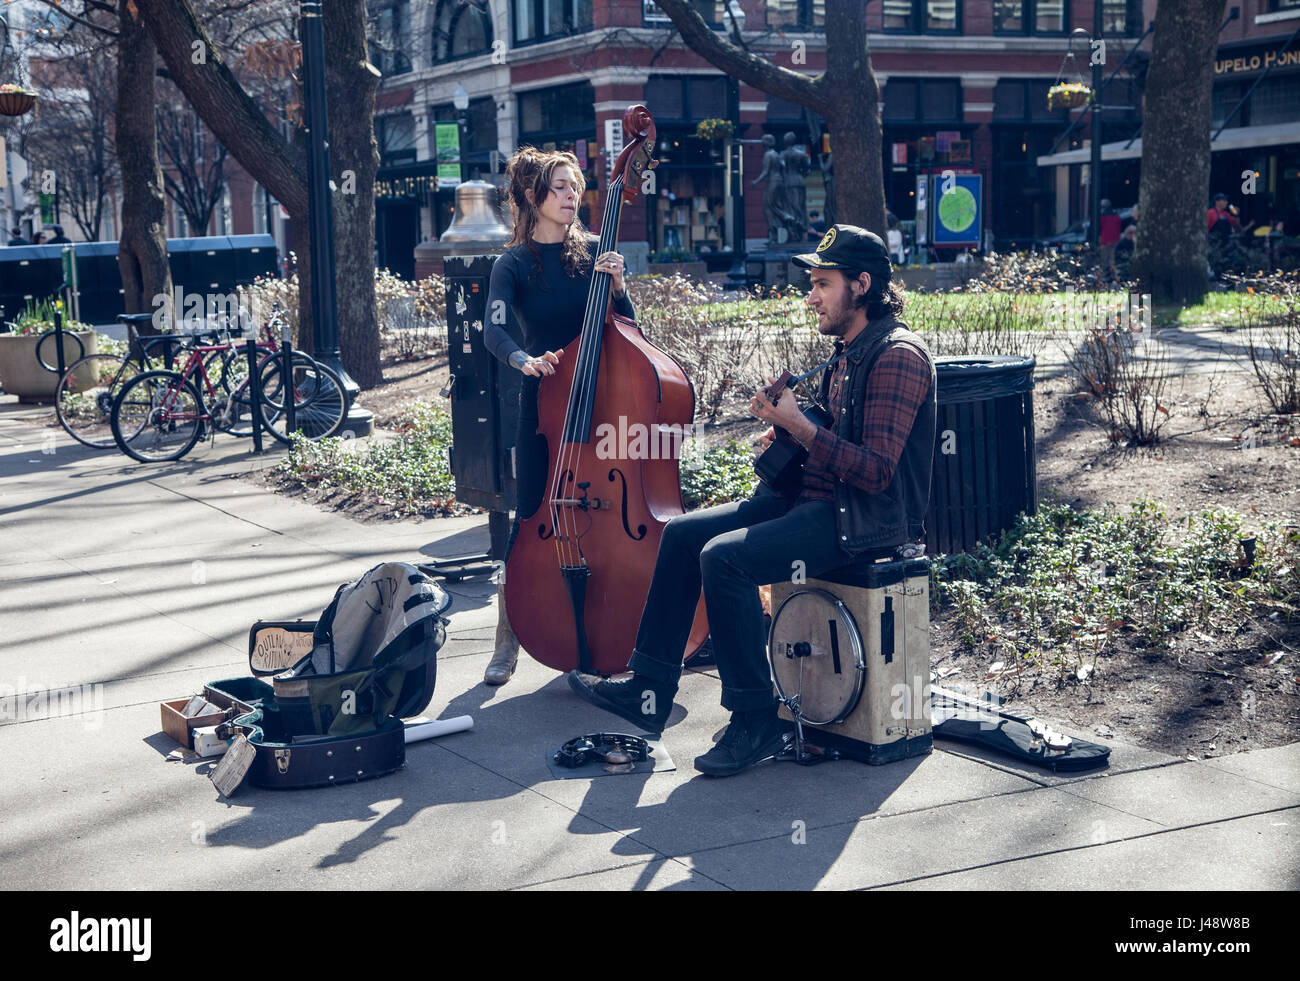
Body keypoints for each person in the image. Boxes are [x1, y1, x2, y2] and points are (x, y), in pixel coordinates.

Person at [568, 225, 937, 777]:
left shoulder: (898, 357)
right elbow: (842, 436)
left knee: (725, 558)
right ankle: (649, 686)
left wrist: (803, 430)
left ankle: (755, 717)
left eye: (822, 284)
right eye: (811, 284)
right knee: (683, 534)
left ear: (862, 285)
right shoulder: (849, 352)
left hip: (861, 521)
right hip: (812, 500)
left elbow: (878, 471)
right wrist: (789, 431)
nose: (810, 296)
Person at [482, 147, 634, 686]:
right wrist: (522, 359)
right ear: (533, 197)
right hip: (545, 409)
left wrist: (620, 288)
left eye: (577, 187)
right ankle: (509, 635)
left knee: (602, 519)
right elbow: (494, 330)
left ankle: (590, 631)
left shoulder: (595, 252)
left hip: (602, 407)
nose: (574, 197)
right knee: (531, 522)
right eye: (562, 188)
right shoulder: (513, 265)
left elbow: (628, 331)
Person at [1098, 199, 1122, 275]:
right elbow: (1119, 227)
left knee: (1103, 261)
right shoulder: (1116, 216)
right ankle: (1114, 276)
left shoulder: (1102, 216)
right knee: (1112, 260)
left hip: (1105, 241)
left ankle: (1102, 278)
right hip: (1115, 241)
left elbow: (1099, 228)